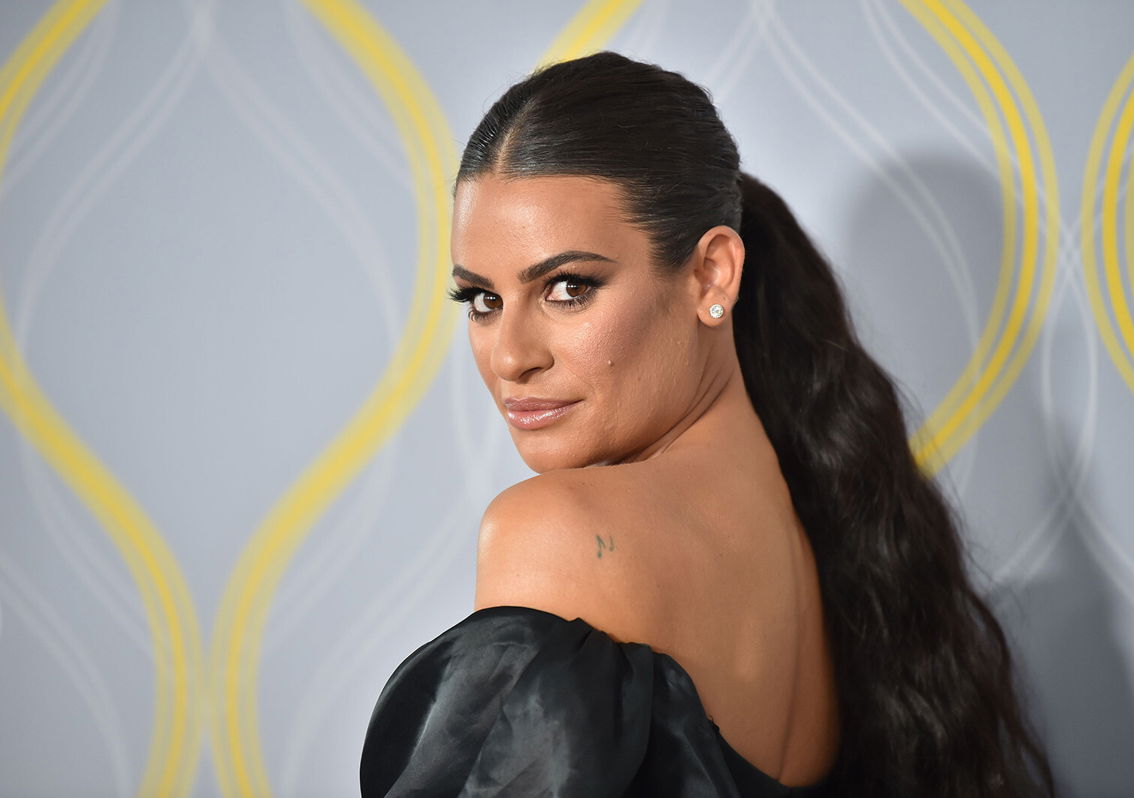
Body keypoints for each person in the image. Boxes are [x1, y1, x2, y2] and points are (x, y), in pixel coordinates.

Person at [359, 51, 1056, 797]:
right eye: (482, 300)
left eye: (568, 287)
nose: (509, 357)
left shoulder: (555, 533)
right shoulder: (824, 526)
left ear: (711, 274)